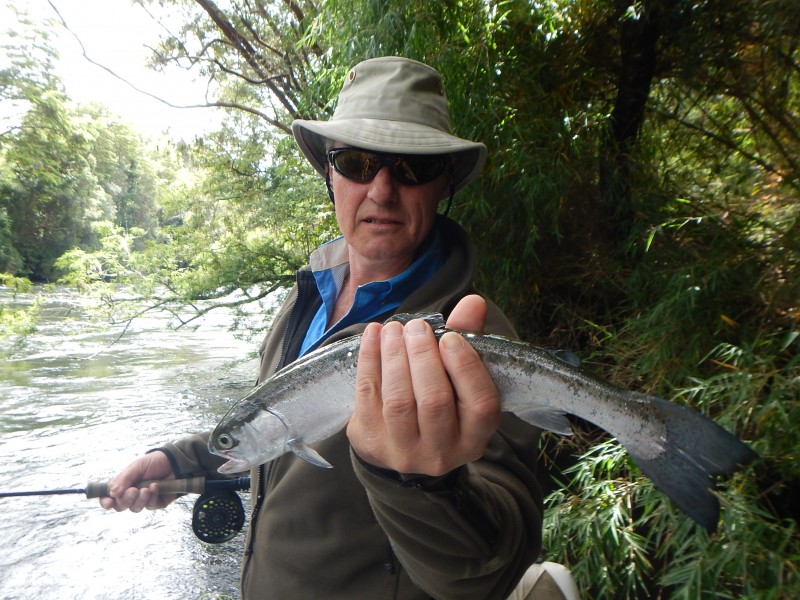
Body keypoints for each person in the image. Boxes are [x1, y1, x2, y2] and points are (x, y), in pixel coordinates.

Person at [102, 56, 564, 600]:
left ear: (444, 184)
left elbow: (490, 569)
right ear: (330, 172)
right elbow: (285, 418)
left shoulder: (476, 342)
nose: (382, 190)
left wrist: (422, 482)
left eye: (411, 167)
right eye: (358, 162)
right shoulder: (306, 296)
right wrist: (180, 461)